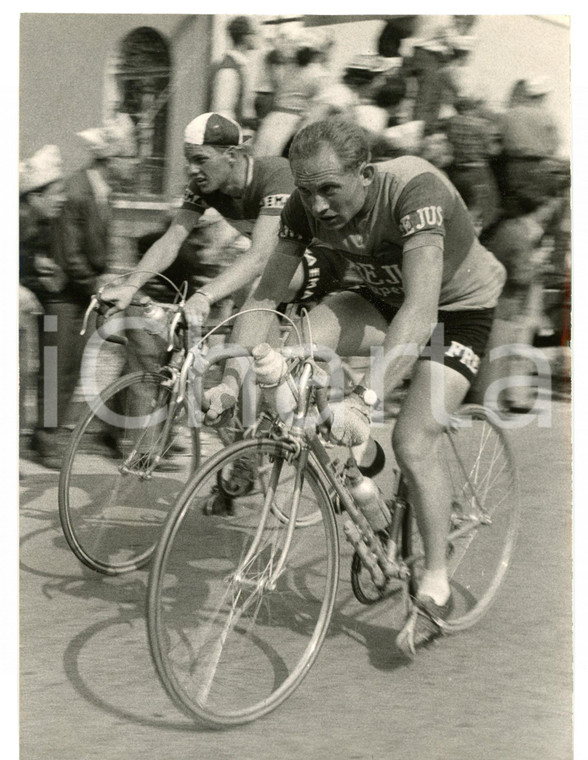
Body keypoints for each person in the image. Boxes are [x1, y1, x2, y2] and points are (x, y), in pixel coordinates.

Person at [205, 118, 506, 651]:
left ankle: (434, 580)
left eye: (329, 190)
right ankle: (362, 479)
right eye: (306, 191)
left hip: (455, 309)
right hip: (380, 301)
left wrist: (366, 399)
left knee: (415, 441)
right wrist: (233, 382)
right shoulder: (304, 206)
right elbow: (265, 296)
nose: (317, 205)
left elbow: (421, 310)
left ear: (365, 174)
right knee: (295, 347)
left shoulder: (416, 191)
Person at [101, 112, 352, 335]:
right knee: (231, 345)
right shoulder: (204, 186)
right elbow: (171, 239)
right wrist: (130, 286)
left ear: (231, 155)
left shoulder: (276, 176)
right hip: (280, 263)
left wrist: (204, 295)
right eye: (189, 160)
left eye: (201, 159)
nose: (191, 169)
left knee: (253, 287)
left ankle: (270, 376)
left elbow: (260, 256)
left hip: (324, 256)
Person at [19, 145, 68, 468]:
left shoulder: (47, 222)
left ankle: (43, 439)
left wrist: (43, 268)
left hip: (48, 302)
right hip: (25, 303)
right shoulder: (17, 220)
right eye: (53, 193)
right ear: (34, 196)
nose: (60, 199)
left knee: (47, 368)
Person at [498, 76, 560, 217]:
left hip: (515, 166)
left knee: (515, 211)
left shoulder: (510, 114)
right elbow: (554, 144)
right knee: (539, 213)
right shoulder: (547, 116)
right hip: (540, 166)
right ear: (542, 96)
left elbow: (500, 140)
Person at [209, 16, 258, 130]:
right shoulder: (229, 69)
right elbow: (223, 110)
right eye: (253, 33)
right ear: (245, 37)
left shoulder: (241, 65)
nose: (256, 37)